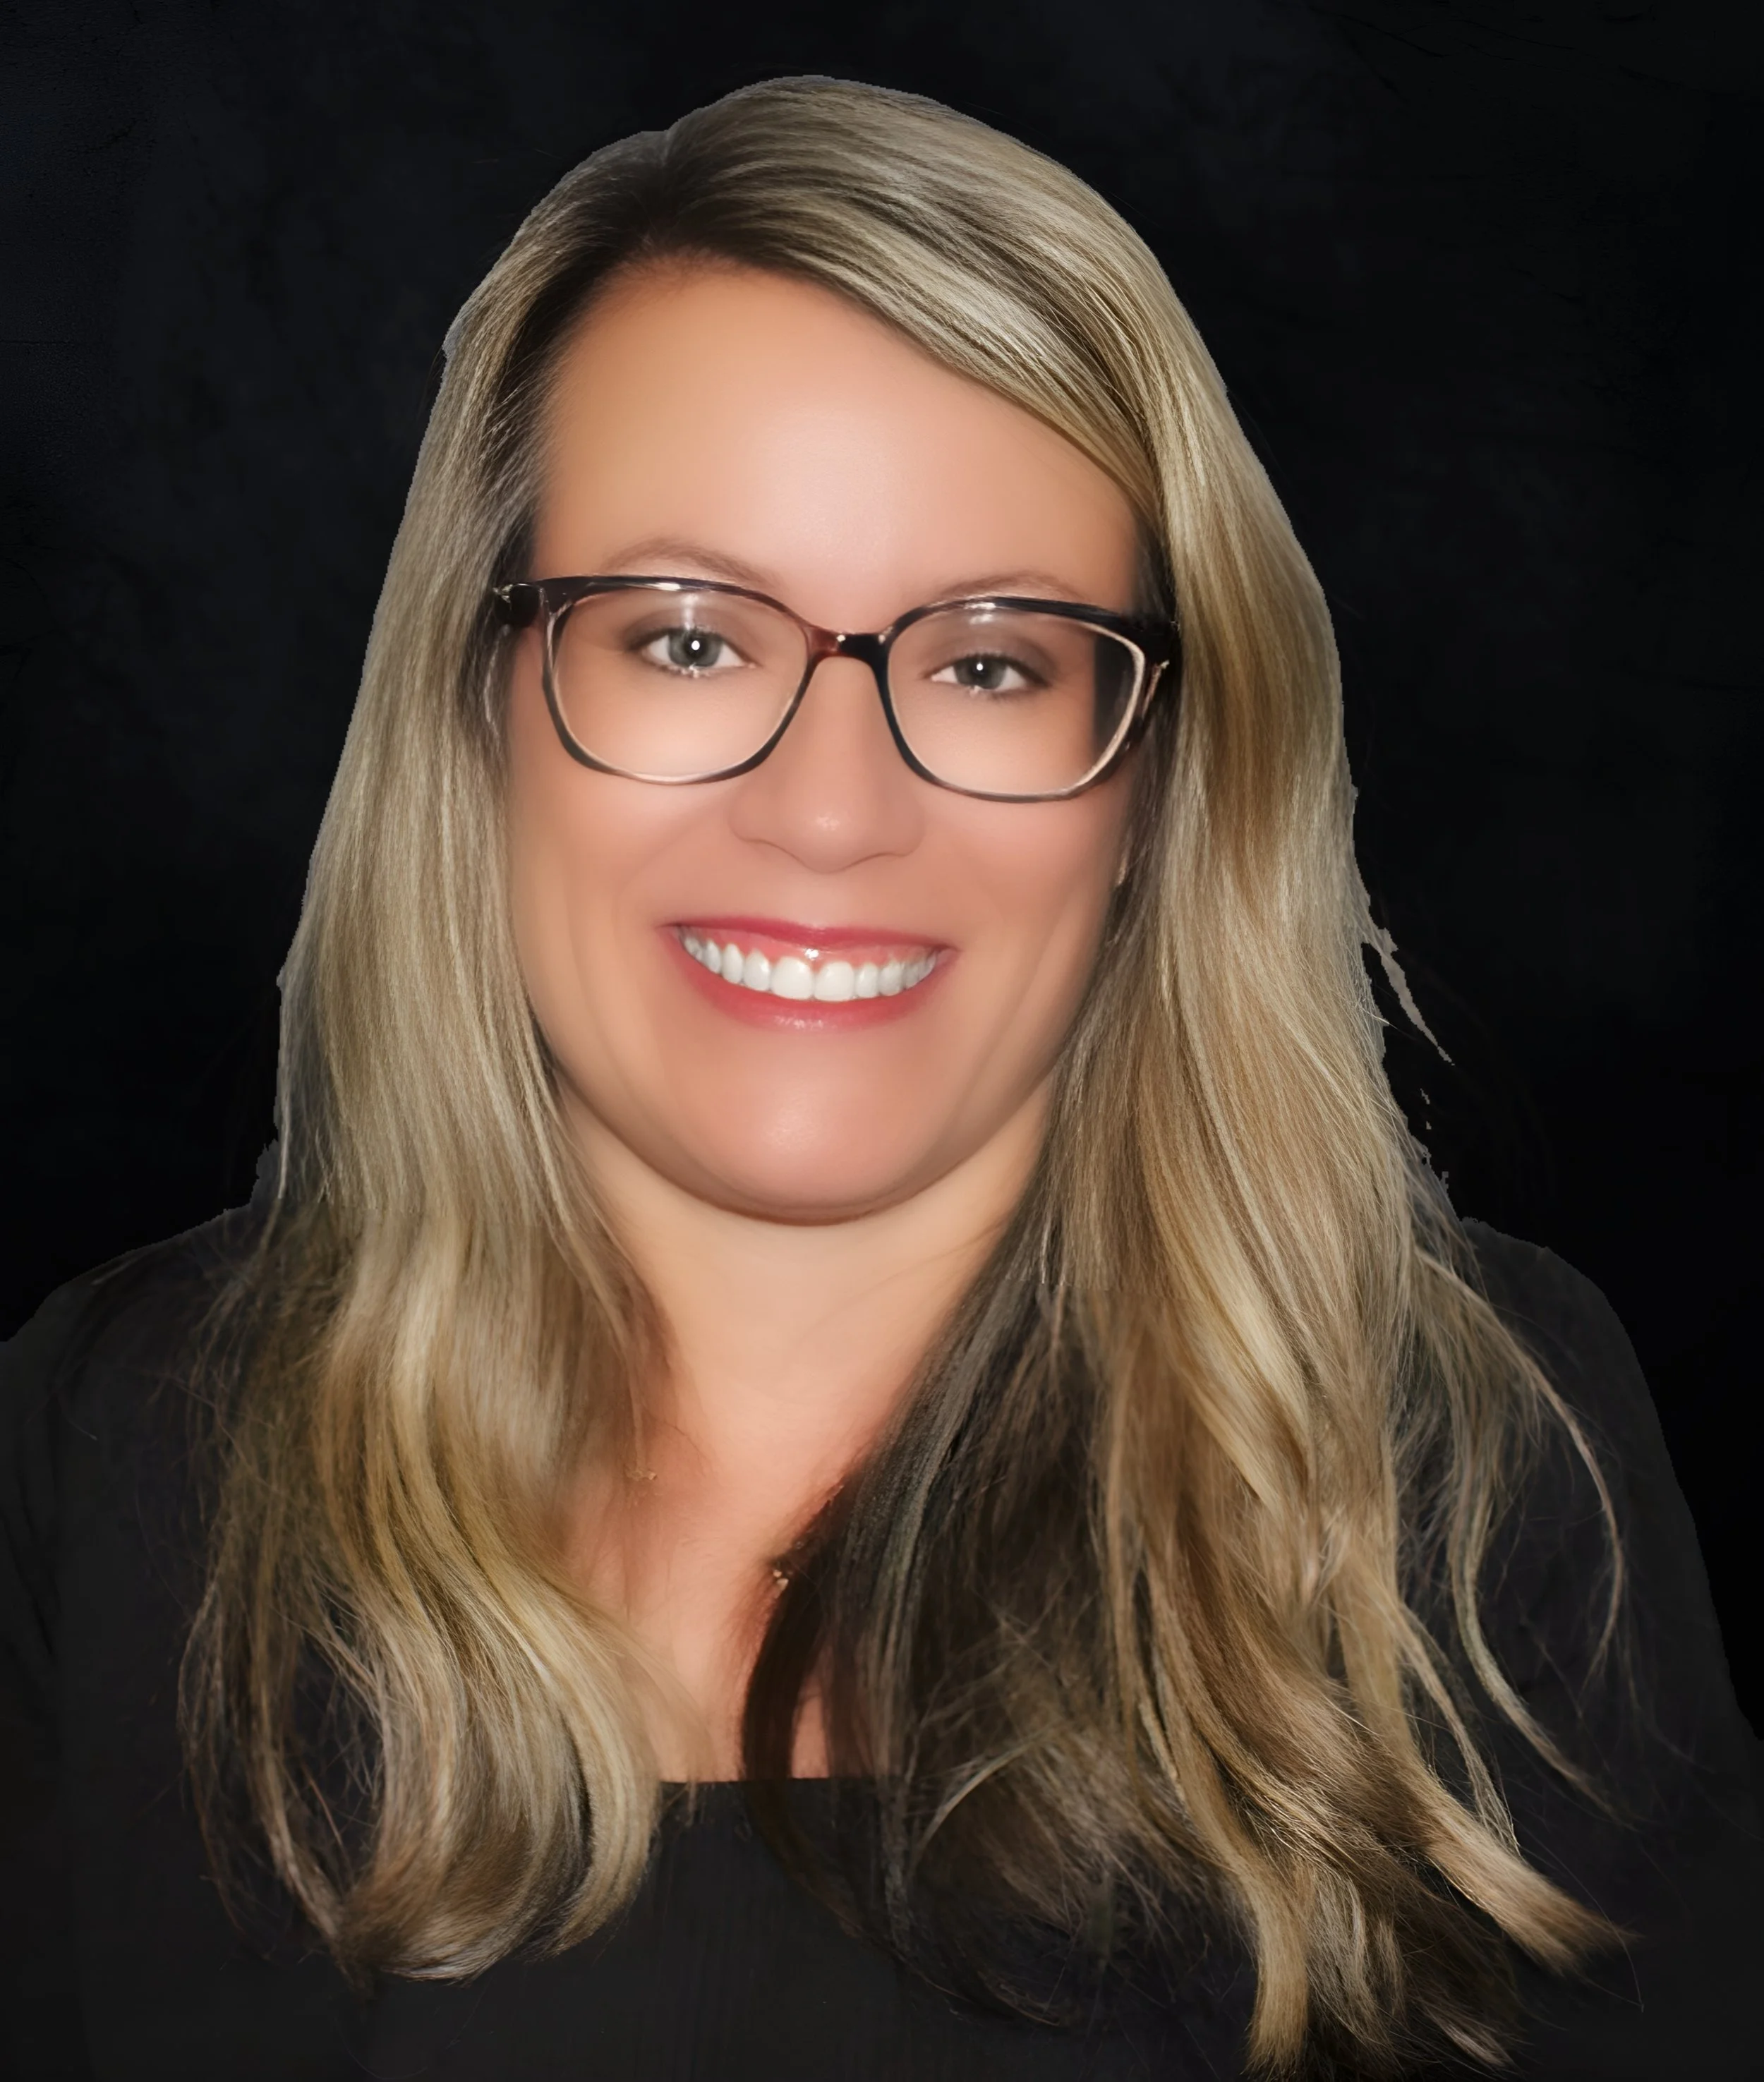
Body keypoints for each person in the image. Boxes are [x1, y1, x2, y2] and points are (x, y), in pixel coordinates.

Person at [1, 75, 1756, 2082]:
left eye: (993, 661)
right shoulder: (123, 1446)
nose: (829, 810)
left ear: (1159, 786)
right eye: (681, 640)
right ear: (477, 715)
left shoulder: (1458, 1479)